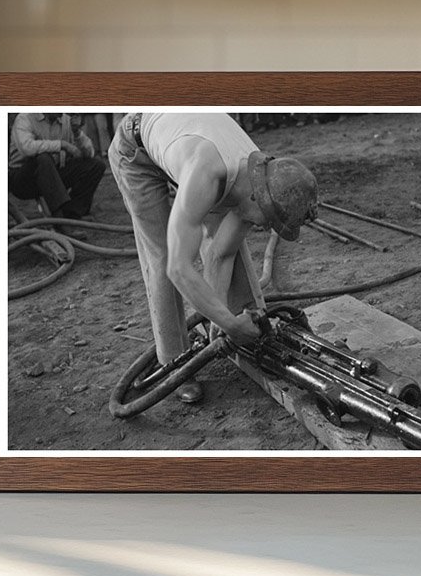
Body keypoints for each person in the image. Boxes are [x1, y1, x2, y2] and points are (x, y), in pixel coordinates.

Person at [109, 112, 318, 403]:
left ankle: (254, 338)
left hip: (184, 139)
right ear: (257, 198)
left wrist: (218, 323)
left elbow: (222, 253)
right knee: (165, 255)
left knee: (230, 244)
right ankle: (175, 364)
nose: (266, 227)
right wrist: (231, 324)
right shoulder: (205, 173)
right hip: (136, 149)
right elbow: (179, 268)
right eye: (268, 221)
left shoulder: (261, 177)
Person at [9, 113, 106, 220]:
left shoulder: (65, 119)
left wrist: (77, 133)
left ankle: (71, 213)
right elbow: (27, 148)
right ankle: (58, 218)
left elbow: (89, 153)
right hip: (23, 180)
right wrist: (62, 145)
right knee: (43, 157)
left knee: (96, 166)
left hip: (52, 177)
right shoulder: (25, 118)